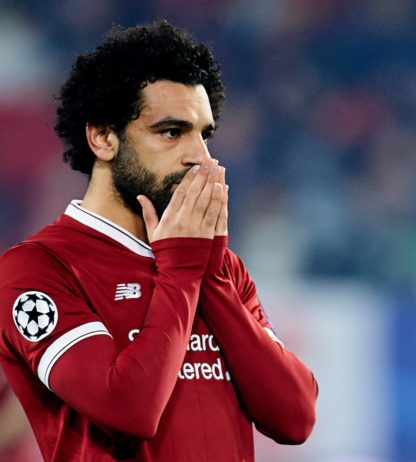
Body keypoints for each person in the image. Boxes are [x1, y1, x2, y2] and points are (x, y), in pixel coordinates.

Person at [0, 21, 318, 461]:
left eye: (203, 134)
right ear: (103, 137)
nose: (200, 156)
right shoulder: (39, 269)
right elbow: (127, 410)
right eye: (172, 132)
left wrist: (212, 278)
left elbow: (295, 418)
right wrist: (184, 270)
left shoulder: (219, 268)